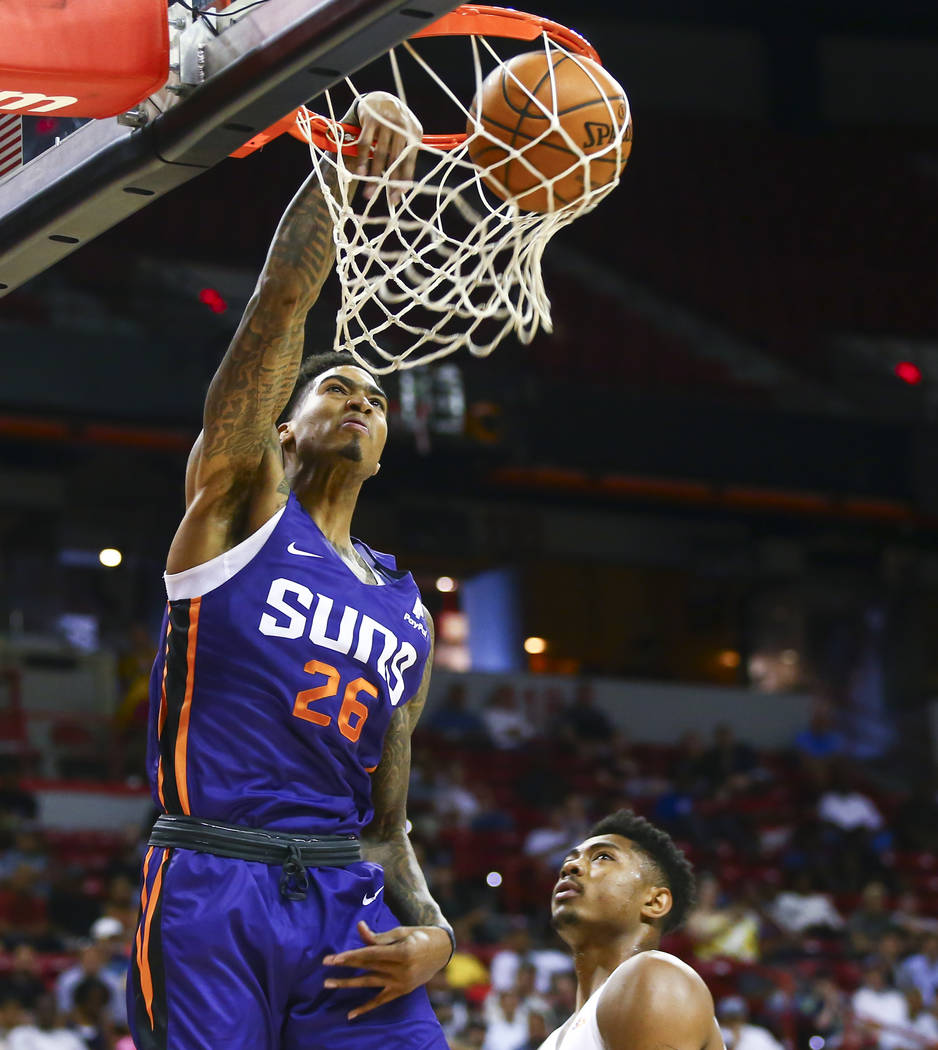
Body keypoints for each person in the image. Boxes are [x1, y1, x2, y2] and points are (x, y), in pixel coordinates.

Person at [128, 92, 454, 1050]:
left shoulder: (408, 614)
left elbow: (386, 825)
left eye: (376, 399)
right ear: (281, 427)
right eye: (335, 389)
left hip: (343, 899)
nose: (360, 401)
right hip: (212, 881)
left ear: (389, 444)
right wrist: (342, 175)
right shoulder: (236, 509)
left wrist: (433, 929)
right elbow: (280, 301)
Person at [538, 809, 723, 1050]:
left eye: (603, 857)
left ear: (654, 902)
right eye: (568, 860)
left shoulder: (654, 976)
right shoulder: (554, 1040)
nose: (571, 867)